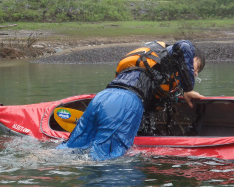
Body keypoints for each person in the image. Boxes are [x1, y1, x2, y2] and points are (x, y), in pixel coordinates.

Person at [57, 40, 206, 160]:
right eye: (196, 67)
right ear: (189, 58)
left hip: (102, 98)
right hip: (125, 103)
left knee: (69, 150)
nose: (195, 73)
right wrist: (188, 88)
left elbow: (149, 110)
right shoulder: (176, 53)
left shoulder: (158, 67)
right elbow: (185, 46)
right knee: (106, 161)